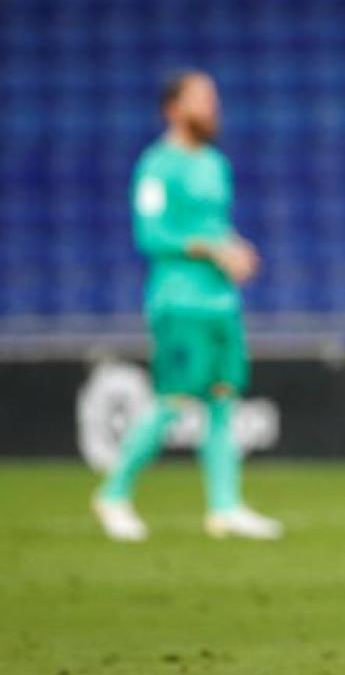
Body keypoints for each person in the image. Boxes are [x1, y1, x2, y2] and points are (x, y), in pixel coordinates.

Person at [92, 70, 282, 542]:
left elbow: (215, 226)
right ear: (174, 109)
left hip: (221, 302)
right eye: (202, 99)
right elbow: (150, 234)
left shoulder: (215, 164)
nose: (213, 108)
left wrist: (236, 249)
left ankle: (225, 507)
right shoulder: (157, 166)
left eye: (213, 99)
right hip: (180, 301)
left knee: (222, 400)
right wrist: (212, 249)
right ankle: (113, 494)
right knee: (172, 401)